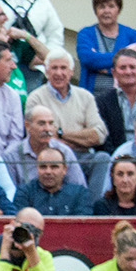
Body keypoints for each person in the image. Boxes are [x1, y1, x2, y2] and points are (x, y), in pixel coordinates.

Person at [26, 48, 109, 194]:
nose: (59, 73)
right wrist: (81, 138)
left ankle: (93, 213)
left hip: (82, 157)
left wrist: (61, 134)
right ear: (46, 71)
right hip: (50, 158)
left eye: (63, 68)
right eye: (54, 68)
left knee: (102, 158)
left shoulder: (85, 96)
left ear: (71, 71)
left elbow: (99, 134)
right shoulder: (36, 98)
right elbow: (42, 137)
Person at [1, 103, 85, 192]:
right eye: (42, 123)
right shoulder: (11, 155)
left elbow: (79, 189)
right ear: (27, 125)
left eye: (51, 123)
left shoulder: (64, 151)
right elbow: (10, 194)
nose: (47, 129)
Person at [78, 0, 136, 95]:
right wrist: (121, 61)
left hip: (123, 96)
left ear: (118, 10)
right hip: (92, 98)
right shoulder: (85, 33)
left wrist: (100, 61)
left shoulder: (131, 35)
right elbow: (88, 59)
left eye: (111, 6)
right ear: (95, 10)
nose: (106, 11)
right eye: (101, 7)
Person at [97, 49, 136, 156]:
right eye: (122, 68)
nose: (128, 72)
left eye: (132, 67)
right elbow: (103, 139)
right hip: (114, 160)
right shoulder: (101, 102)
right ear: (114, 72)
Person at [12, 145, 88, 217]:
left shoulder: (79, 194)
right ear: (37, 168)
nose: (48, 172)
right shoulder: (25, 192)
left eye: (54, 167)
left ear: (65, 169)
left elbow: (82, 226)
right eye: (43, 167)